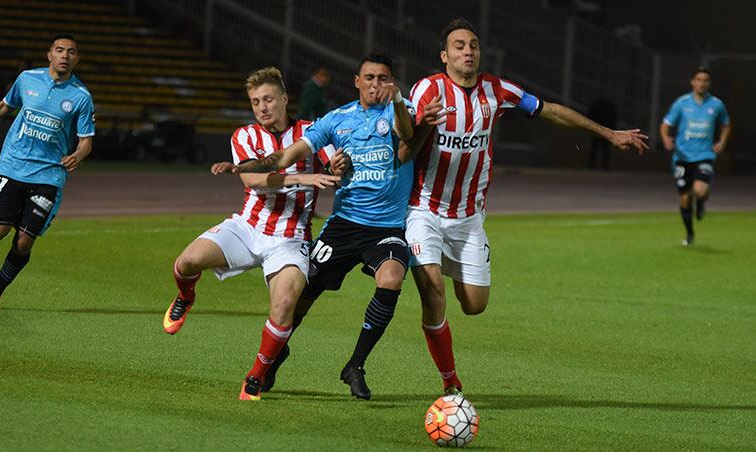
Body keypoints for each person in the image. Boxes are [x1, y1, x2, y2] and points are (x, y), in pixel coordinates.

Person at [402, 18, 649, 395]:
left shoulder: (497, 90)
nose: (468, 51)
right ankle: (451, 382)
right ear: (444, 55)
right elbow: (404, 137)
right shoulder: (427, 90)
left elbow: (550, 110)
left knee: (474, 305)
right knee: (432, 291)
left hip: (469, 218)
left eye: (473, 45)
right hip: (424, 210)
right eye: (458, 46)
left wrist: (607, 133)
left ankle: (444, 268)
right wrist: (421, 123)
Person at [215, 54, 415, 400]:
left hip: (387, 226)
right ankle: (274, 357)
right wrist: (245, 166)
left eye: (383, 78)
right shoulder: (335, 120)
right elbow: (283, 157)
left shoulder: (400, 109)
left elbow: (408, 133)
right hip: (344, 225)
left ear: (392, 81)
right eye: (369, 78)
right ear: (357, 81)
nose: (376, 85)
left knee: (392, 277)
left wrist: (397, 99)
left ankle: (355, 365)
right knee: (302, 298)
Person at [161, 67, 340, 401]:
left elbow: (336, 166)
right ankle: (186, 296)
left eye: (268, 99)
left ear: (285, 100)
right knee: (188, 262)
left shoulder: (311, 133)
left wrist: (340, 166)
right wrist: (302, 179)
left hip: (291, 237)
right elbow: (252, 181)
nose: (262, 107)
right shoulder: (244, 136)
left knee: (284, 304)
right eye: (256, 101)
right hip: (247, 227)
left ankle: (255, 377)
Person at [0, 34, 95, 310]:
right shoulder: (27, 78)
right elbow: (5, 106)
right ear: (49, 55)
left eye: (71, 52)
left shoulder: (81, 97)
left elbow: (86, 141)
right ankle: (17, 211)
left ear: (77, 59)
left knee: (24, 242)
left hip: (48, 176)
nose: (65, 56)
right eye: (60, 50)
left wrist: (77, 155)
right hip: (12, 166)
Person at [659, 67, 731, 246]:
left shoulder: (716, 104)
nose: (702, 83)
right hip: (682, 157)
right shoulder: (682, 103)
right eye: (699, 79)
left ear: (709, 83)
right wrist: (666, 138)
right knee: (684, 198)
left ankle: (700, 202)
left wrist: (722, 141)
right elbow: (665, 125)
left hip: (704, 155)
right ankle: (690, 233)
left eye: (705, 80)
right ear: (693, 82)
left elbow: (726, 124)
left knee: (700, 190)